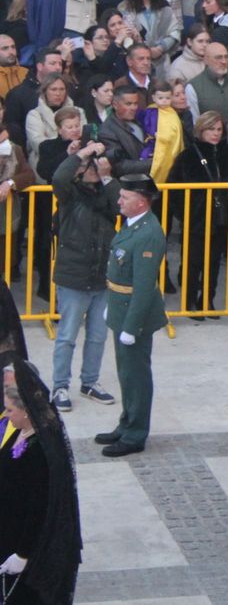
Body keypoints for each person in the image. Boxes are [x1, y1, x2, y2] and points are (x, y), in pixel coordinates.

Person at [0, 361, 84, 605]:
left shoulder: (42, 452)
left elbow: (39, 507)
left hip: (25, 545)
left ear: (26, 410)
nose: (6, 415)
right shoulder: (20, 430)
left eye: (9, 410)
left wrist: (23, 554)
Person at [95, 175, 167, 457]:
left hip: (134, 316)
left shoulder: (149, 233)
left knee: (136, 375)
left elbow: (144, 286)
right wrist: (111, 306)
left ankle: (136, 433)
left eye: (124, 197)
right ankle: (126, 423)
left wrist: (131, 325)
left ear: (141, 201)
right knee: (126, 374)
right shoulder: (134, 225)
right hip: (121, 308)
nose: (119, 201)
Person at [48, 138, 119, 411]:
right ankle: (60, 386)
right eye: (89, 165)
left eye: (95, 164)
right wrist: (82, 153)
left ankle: (90, 381)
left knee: (98, 335)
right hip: (73, 275)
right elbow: (59, 176)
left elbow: (120, 206)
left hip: (101, 275)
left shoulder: (108, 194)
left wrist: (108, 177)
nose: (93, 168)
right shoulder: (69, 194)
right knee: (67, 335)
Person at [167, 110, 228, 313]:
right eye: (211, 129)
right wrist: (186, 214)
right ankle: (189, 300)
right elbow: (174, 187)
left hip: (222, 219)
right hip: (197, 219)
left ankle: (207, 299)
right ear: (201, 130)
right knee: (192, 261)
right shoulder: (189, 155)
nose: (216, 133)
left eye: (219, 129)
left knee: (213, 263)